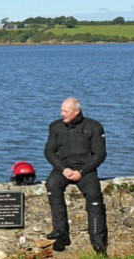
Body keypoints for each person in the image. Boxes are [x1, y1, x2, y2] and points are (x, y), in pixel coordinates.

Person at [44, 97, 108, 256]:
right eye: (61, 110)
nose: (62, 114)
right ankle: (61, 231)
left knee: (94, 198)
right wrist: (62, 168)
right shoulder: (55, 127)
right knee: (52, 184)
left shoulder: (94, 127)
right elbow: (49, 151)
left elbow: (100, 154)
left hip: (86, 170)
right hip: (63, 169)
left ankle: (98, 242)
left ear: (76, 111)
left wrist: (82, 171)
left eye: (65, 111)